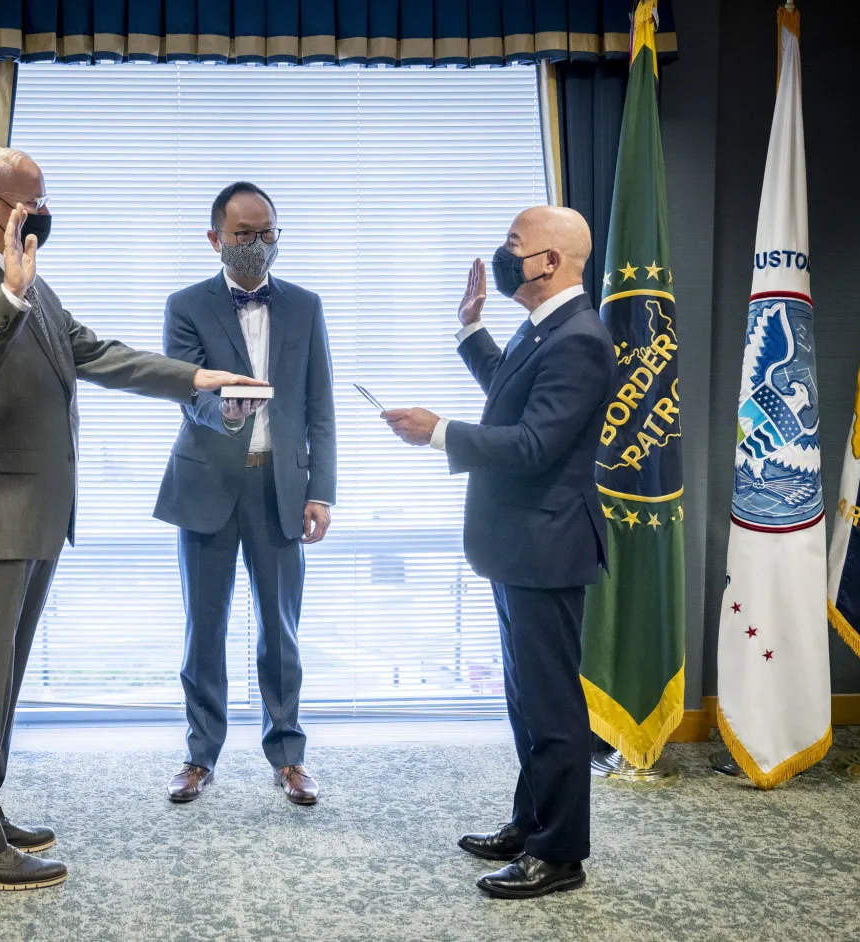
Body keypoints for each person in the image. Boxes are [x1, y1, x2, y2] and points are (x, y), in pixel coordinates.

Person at [0, 148, 263, 891]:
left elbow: (95, 353)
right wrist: (8, 300)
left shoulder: (23, 277)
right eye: (34, 199)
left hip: (31, 515)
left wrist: (199, 377)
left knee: (0, 682)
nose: (45, 211)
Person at [381, 205, 615, 900]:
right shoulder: (545, 329)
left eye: (515, 245)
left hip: (547, 546)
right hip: (519, 546)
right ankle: (532, 822)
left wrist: (437, 432)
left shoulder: (579, 338)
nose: (503, 255)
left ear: (552, 262)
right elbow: (513, 403)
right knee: (526, 699)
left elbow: (535, 445)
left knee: (552, 707)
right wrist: (472, 329)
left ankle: (560, 855)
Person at [153, 182, 336, 805]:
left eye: (267, 234)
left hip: (281, 488)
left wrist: (322, 492)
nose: (257, 245)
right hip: (207, 485)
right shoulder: (185, 305)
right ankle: (199, 757)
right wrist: (223, 413)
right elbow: (188, 389)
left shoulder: (306, 307)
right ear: (215, 240)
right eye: (243, 235)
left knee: (280, 632)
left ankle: (289, 756)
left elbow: (320, 409)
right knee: (204, 630)